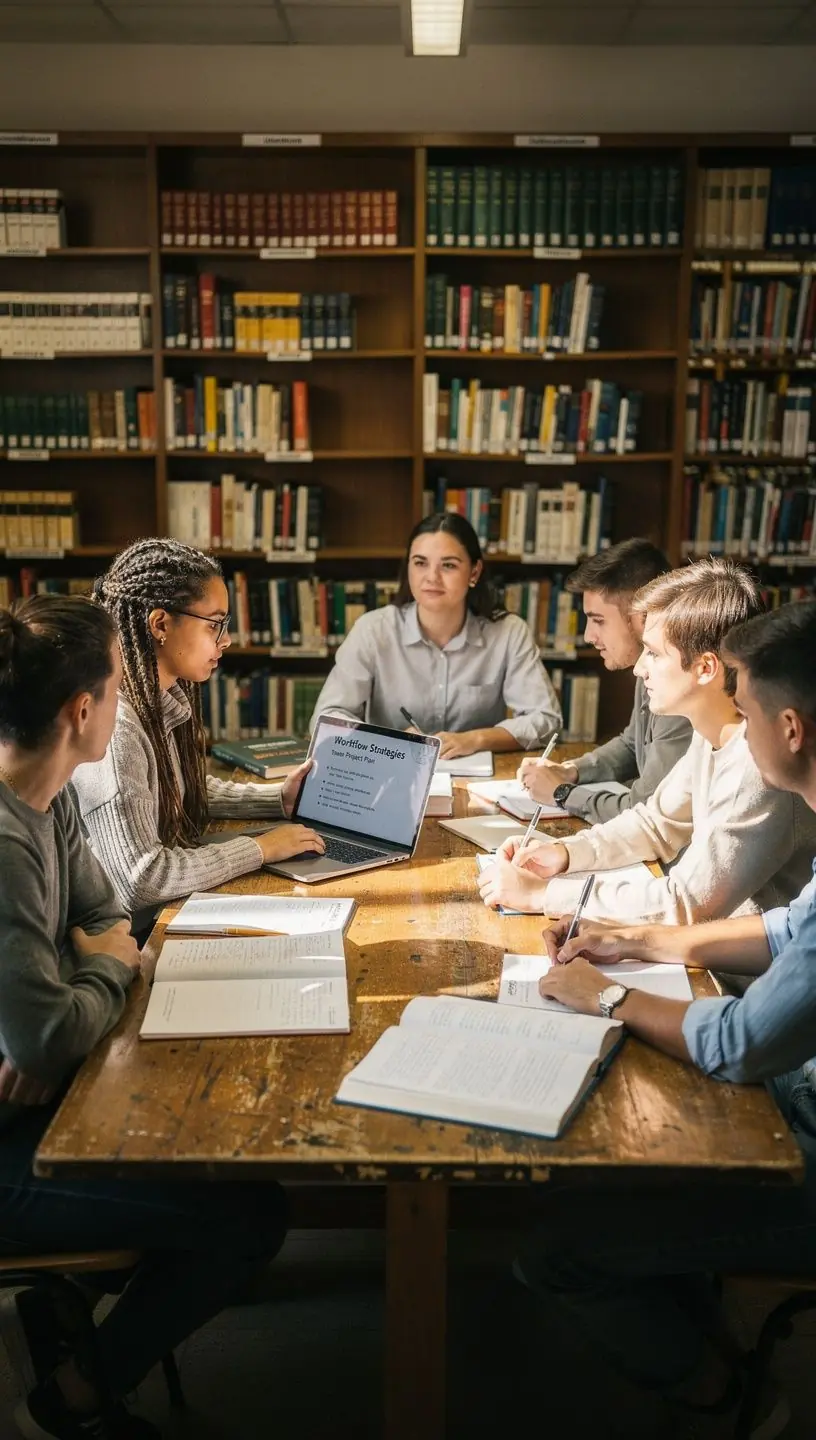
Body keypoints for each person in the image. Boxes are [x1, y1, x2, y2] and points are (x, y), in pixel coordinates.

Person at [514, 599, 816, 1438]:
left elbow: (741, 1044)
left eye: (745, 713)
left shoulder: (760, 776)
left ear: (790, 729)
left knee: (556, 1252)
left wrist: (606, 995)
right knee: (629, 1164)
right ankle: (713, 1335)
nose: (733, 731)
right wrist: (634, 938)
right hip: (794, 1088)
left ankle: (731, 1404)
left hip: (801, 1126)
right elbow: (783, 930)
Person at [0, 594, 287, 1440]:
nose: (126, 702)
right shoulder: (6, 840)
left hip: (39, 1098)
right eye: (118, 689)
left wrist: (81, 982)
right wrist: (100, 975)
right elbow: (47, 1033)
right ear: (80, 710)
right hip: (9, 1141)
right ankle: (73, 1400)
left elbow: (108, 915)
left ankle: (65, 1307)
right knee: (250, 1216)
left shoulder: (46, 797)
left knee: (209, 1142)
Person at [479, 557, 816, 925]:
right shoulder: (712, 733)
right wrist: (564, 852)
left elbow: (688, 903)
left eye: (653, 653)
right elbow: (655, 823)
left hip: (739, 959)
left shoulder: (758, 765)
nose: (639, 668)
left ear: (705, 668)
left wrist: (542, 894)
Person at [72, 539, 324, 928]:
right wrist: (259, 849)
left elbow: (175, 788)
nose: (226, 640)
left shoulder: (158, 698)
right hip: (129, 933)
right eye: (214, 624)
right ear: (160, 624)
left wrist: (277, 799)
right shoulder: (116, 731)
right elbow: (142, 878)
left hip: (159, 915)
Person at [308, 513, 561, 760]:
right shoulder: (373, 630)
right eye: (420, 563)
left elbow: (545, 719)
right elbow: (327, 717)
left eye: (448, 565)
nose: (432, 577)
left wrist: (474, 740)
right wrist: (386, 742)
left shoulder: (508, 632)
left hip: (476, 778)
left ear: (474, 572)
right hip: (389, 773)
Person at [518, 538, 692, 822]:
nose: (588, 636)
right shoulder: (647, 666)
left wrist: (562, 793)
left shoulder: (679, 684)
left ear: (642, 615)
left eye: (598, 620)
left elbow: (644, 810)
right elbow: (632, 745)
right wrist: (571, 771)